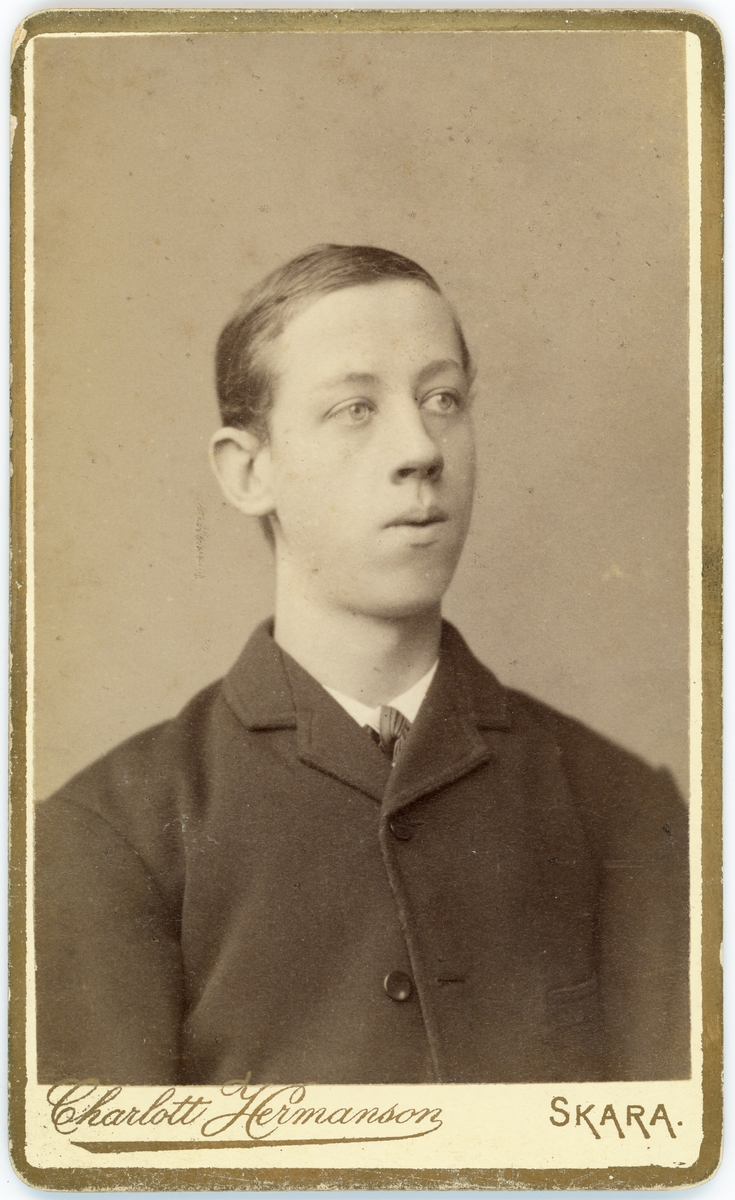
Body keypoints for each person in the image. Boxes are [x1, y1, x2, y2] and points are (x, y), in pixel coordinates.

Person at [35, 244, 689, 1086]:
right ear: (248, 471)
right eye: (354, 409)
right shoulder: (110, 835)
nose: (421, 448)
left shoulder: (623, 808)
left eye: (443, 399)